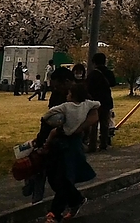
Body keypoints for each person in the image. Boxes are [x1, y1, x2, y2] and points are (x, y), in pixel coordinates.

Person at [40, 83, 100, 222]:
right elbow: (97, 105)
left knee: (64, 178)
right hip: (66, 143)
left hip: (67, 143)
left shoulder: (65, 106)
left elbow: (47, 115)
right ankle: (76, 200)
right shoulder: (86, 104)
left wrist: (48, 121)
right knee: (61, 179)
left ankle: (55, 213)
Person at [86, 52, 116, 152]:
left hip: (94, 102)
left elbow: (87, 87)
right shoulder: (108, 72)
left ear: (94, 62)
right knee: (104, 124)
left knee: (93, 124)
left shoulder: (92, 74)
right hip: (106, 101)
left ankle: (92, 145)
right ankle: (104, 144)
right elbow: (113, 83)